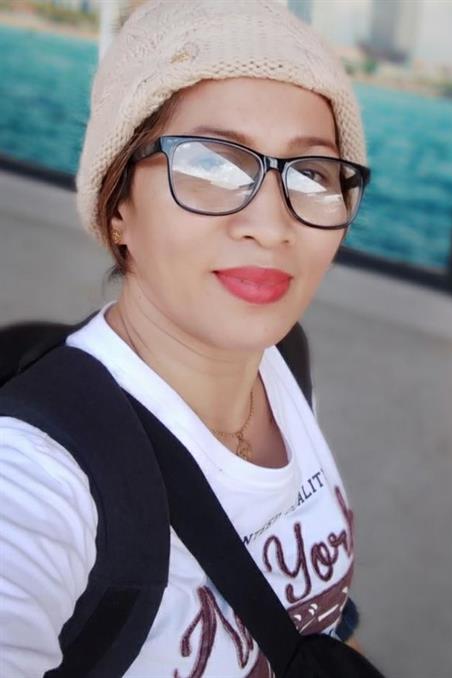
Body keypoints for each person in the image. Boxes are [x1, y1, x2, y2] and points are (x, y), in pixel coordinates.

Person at [0, 0, 373, 675]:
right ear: (118, 207)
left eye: (313, 173)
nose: (272, 225)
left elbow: (318, 619)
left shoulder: (284, 362)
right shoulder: (37, 474)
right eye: (210, 163)